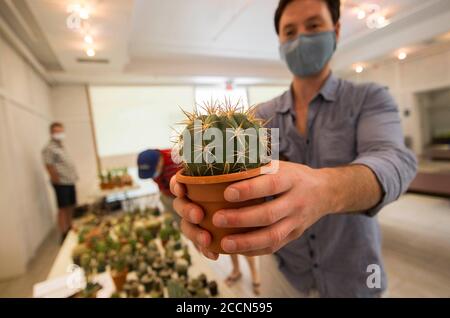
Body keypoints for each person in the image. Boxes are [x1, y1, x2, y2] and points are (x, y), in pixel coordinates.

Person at [170, 0, 417, 298]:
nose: (301, 38)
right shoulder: (258, 118)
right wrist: (200, 199)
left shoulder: (369, 98)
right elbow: (231, 177)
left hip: (355, 273)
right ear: (280, 42)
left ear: (336, 31)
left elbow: (395, 161)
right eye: (289, 31)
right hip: (284, 272)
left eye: (313, 26)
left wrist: (326, 190)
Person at [42, 122, 79, 243]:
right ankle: (63, 233)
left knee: (70, 205)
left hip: (69, 180)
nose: (60, 134)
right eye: (57, 131)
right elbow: (49, 165)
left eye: (61, 131)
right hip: (61, 182)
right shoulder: (49, 148)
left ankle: (69, 226)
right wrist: (56, 179)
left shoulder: (61, 146)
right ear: (52, 133)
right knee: (62, 207)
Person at [138, 149, 179, 215]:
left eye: (152, 172)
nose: (152, 177)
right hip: (167, 195)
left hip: (179, 195)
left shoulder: (176, 160)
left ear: (159, 162)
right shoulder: (155, 169)